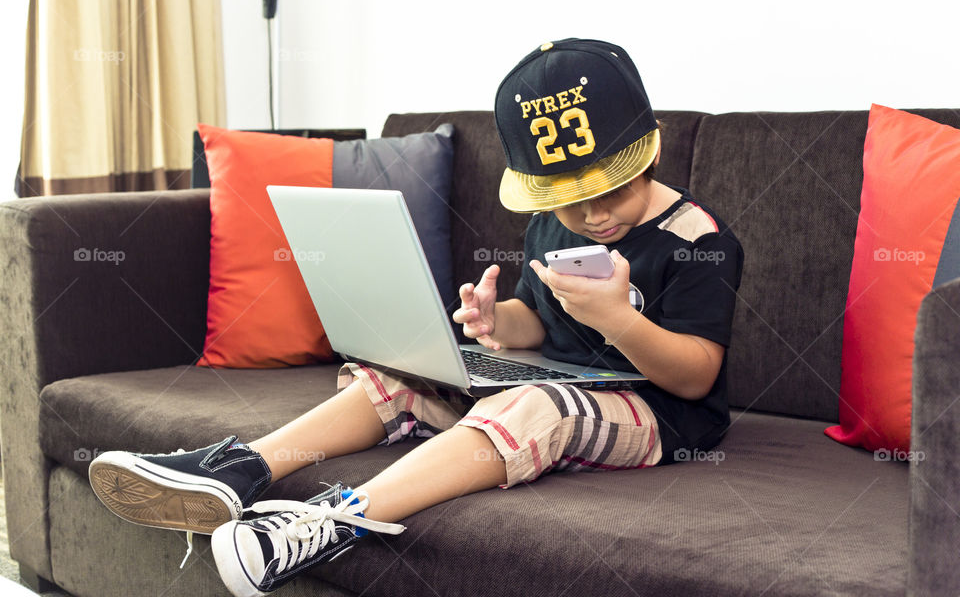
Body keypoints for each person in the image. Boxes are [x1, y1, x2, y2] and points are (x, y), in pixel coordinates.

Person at [88, 38, 744, 597]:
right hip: (564, 381)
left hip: (658, 415)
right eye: (574, 205)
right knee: (411, 372)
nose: (596, 217)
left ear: (650, 155)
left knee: (540, 403)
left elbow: (695, 378)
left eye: (613, 191)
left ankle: (329, 523)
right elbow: (540, 324)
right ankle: (242, 468)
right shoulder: (548, 225)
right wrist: (495, 325)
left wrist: (620, 322)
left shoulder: (697, 240)